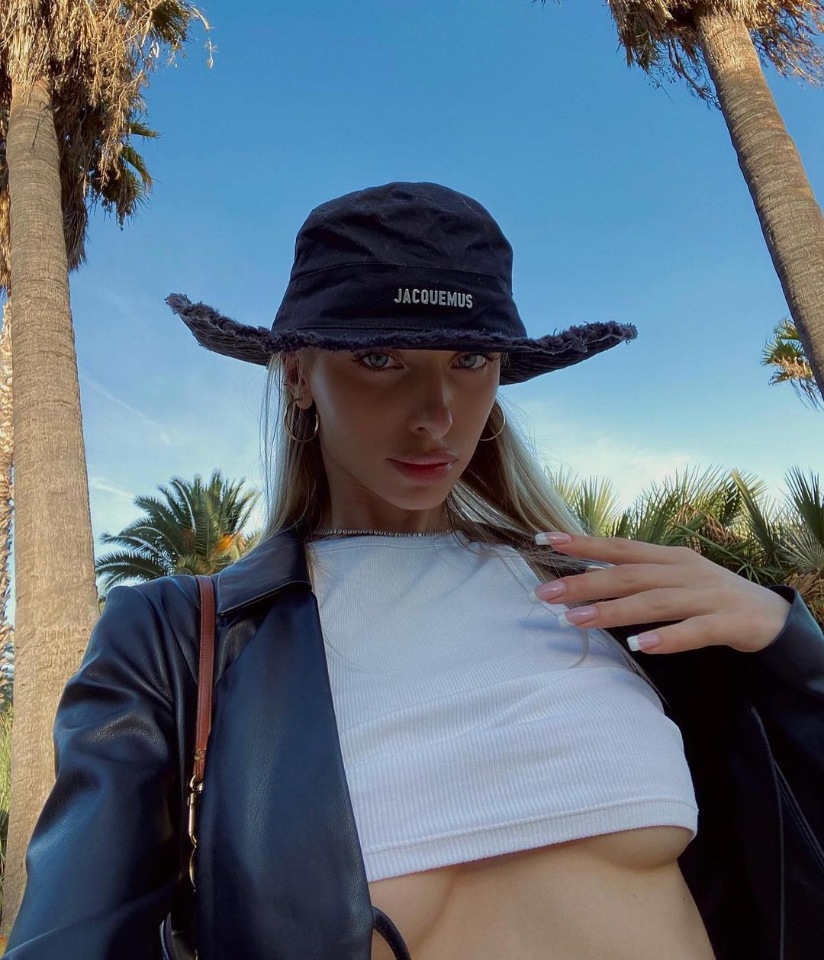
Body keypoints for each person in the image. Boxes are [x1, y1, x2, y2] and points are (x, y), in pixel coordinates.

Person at [5, 181, 823, 960]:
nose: (437, 414)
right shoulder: (180, 637)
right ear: (297, 374)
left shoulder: (604, 602)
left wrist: (787, 646)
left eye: (469, 359)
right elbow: (76, 935)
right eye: (381, 358)